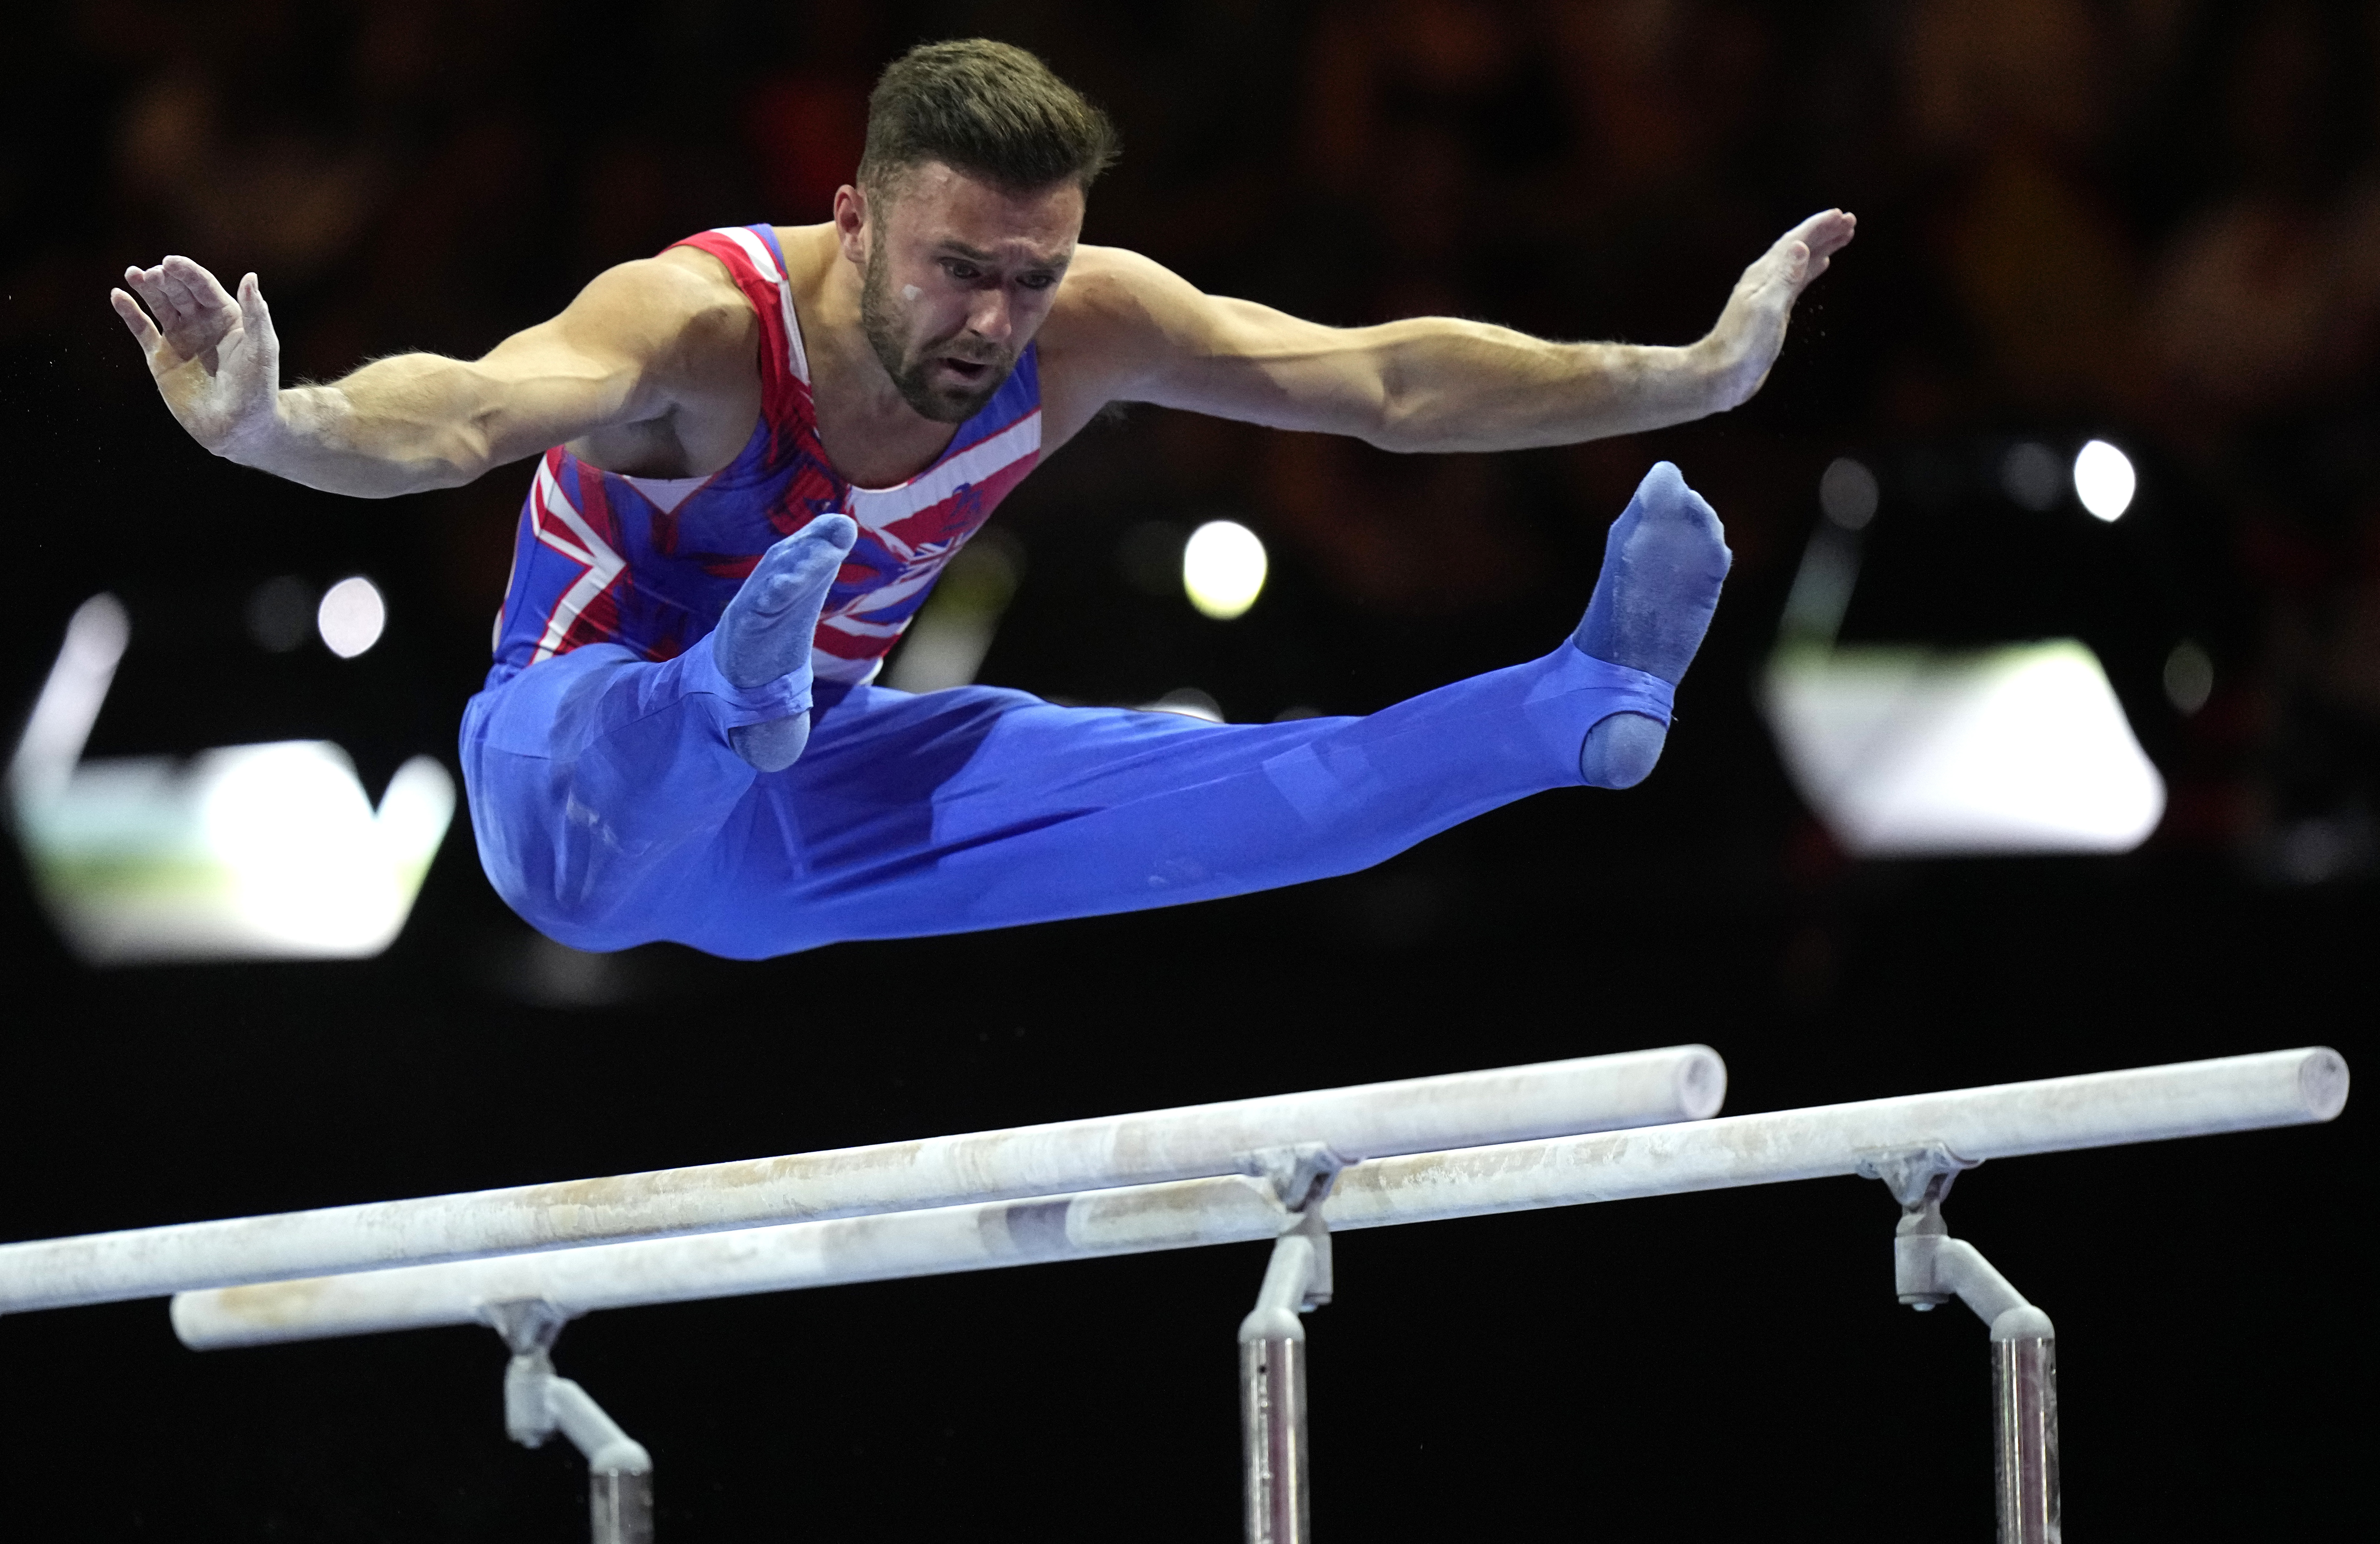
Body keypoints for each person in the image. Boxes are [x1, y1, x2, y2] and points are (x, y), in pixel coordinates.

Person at [110, 39, 1853, 959]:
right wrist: (284, 424)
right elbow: (471, 410)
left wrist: (1681, 373)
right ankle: (721, 695)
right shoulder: (704, 331)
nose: (997, 323)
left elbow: (1379, 382)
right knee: (604, 765)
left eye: (1034, 274)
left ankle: (1575, 707)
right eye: (960, 271)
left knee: (1223, 795)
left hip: (817, 799)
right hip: (577, 787)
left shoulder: (1079, 327)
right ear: (852, 215)